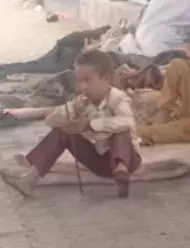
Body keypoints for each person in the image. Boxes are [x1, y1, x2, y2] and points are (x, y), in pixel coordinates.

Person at [0, 50, 141, 198]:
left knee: (121, 129)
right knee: (63, 132)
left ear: (106, 78)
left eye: (88, 80)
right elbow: (51, 121)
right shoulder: (82, 102)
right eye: (79, 81)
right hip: (101, 161)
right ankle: (30, 179)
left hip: (128, 160)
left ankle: (121, 171)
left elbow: (128, 121)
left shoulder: (118, 98)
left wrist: (90, 124)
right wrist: (66, 116)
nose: (83, 87)